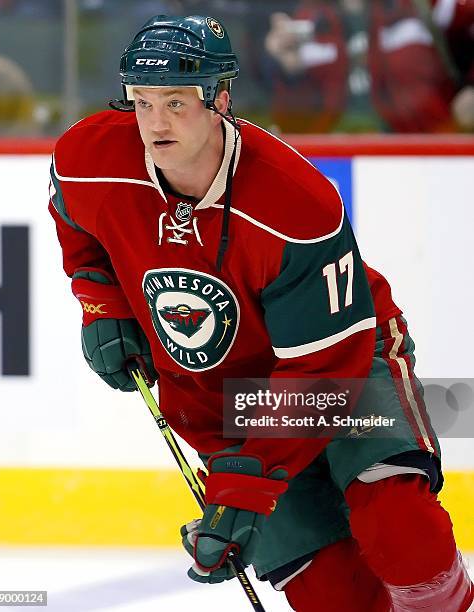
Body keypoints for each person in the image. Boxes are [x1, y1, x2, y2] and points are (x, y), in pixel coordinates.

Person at [49, 15, 473, 611]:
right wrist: (102, 304)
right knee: (332, 596)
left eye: (176, 101)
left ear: (221, 98)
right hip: (223, 389)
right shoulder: (89, 155)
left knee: (400, 529)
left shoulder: (294, 204)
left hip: (342, 361)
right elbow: (75, 218)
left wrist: (245, 488)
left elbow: (323, 374)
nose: (155, 123)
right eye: (142, 102)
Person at [263, 0, 474, 133]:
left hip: (426, 153)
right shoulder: (307, 19)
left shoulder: (424, 6)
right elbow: (292, 122)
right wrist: (290, 71)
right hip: (338, 159)